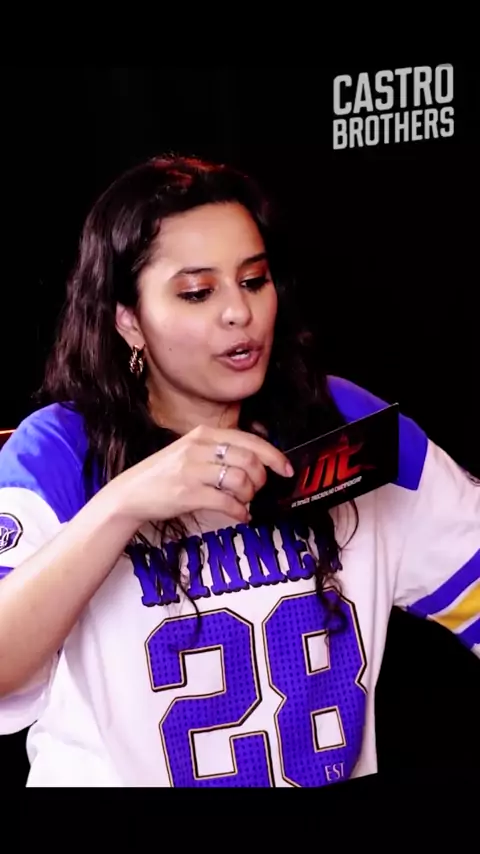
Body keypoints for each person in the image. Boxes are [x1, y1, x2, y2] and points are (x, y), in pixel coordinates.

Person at [0, 154, 479, 788]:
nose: (239, 312)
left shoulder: (344, 424)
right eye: (198, 292)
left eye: (253, 280)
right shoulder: (58, 452)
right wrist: (123, 503)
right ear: (129, 320)